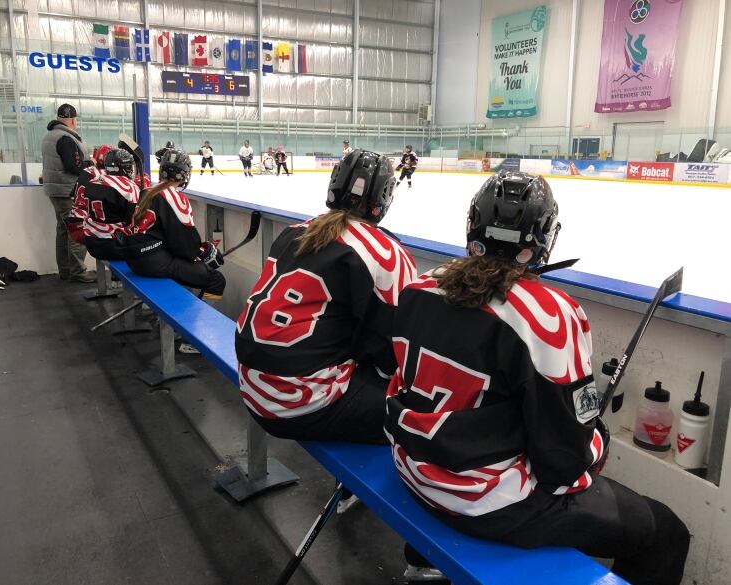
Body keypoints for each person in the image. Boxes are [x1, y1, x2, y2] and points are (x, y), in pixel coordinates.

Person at [384, 170, 690, 585]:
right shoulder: (548, 313)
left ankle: (422, 560)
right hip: (483, 502)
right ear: (543, 238)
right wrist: (594, 442)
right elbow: (564, 462)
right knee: (665, 532)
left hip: (412, 466)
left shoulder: (420, 286)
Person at [236, 149, 416, 447]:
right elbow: (395, 350)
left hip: (253, 387)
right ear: (384, 196)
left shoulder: (293, 232)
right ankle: (352, 491)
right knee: (420, 416)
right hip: (296, 405)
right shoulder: (385, 252)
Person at [119, 149, 225, 298]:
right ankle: (197, 320)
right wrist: (202, 253)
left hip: (133, 258)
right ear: (184, 174)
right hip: (151, 262)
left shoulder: (147, 191)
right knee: (216, 280)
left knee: (186, 269)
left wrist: (198, 252)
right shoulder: (174, 198)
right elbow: (186, 246)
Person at [41, 103, 96, 283]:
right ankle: (78, 272)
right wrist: (92, 163)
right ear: (73, 120)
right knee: (76, 229)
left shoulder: (50, 136)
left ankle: (65, 270)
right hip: (67, 191)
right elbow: (73, 166)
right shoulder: (66, 138)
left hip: (56, 191)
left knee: (63, 231)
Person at [67, 148, 139, 261]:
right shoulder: (128, 186)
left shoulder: (93, 181)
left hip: (91, 243)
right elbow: (134, 222)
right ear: (123, 167)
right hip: (114, 245)